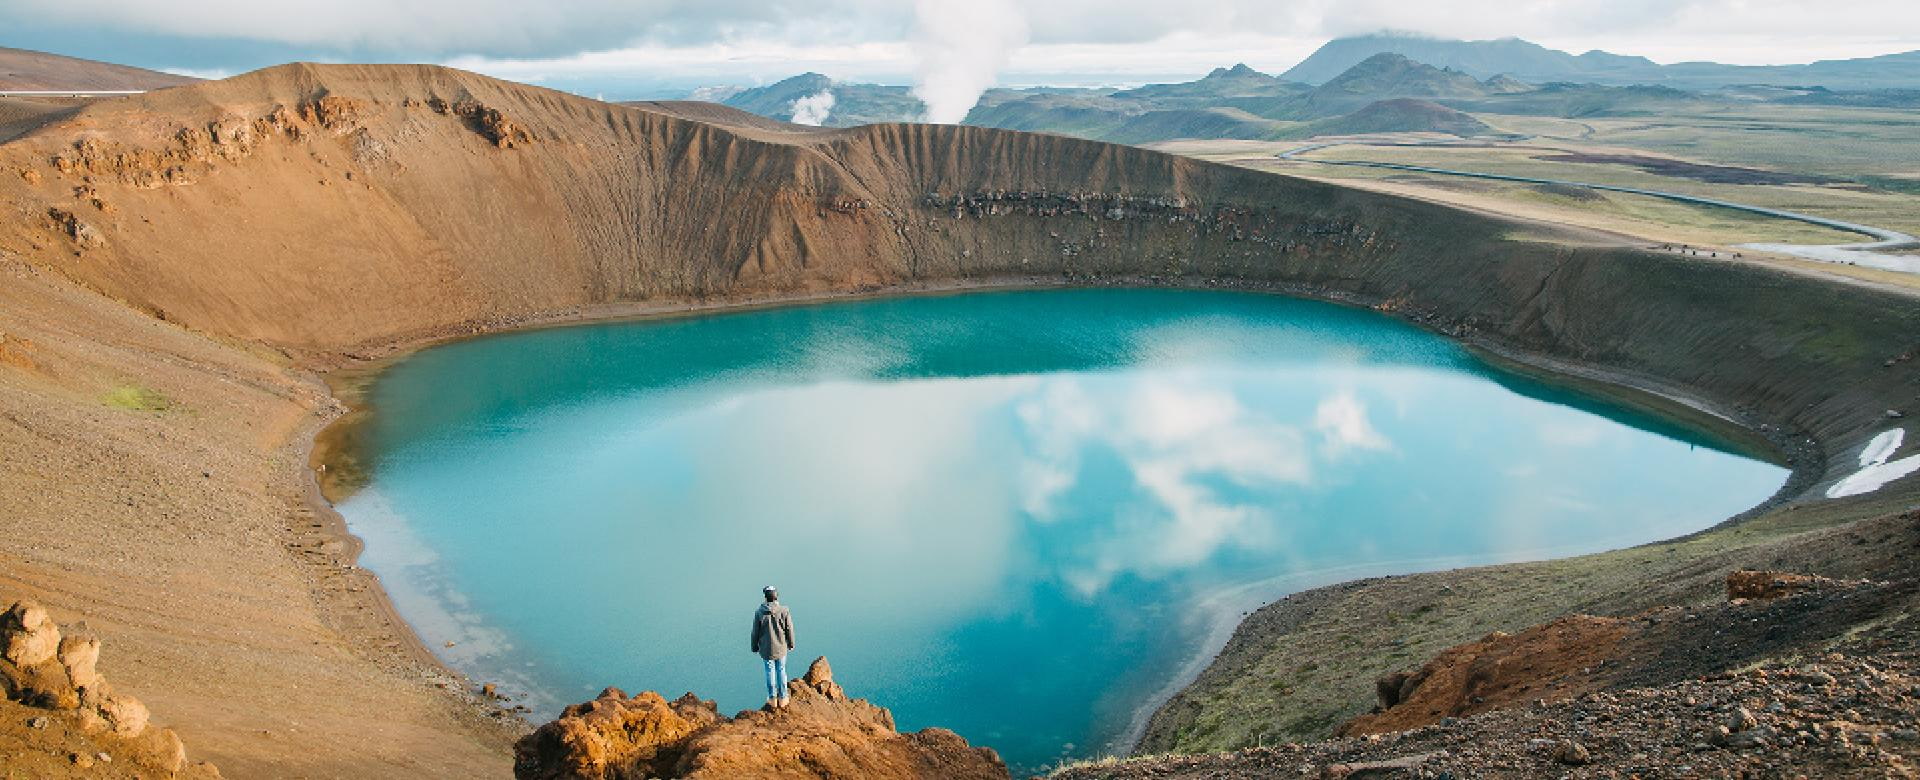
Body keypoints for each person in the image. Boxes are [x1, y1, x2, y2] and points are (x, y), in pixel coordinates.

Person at [750, 585, 796, 709]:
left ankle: (772, 698)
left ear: (765, 597)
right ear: (776, 596)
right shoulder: (784, 611)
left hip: (766, 649)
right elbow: (789, 629)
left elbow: (755, 632)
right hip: (781, 647)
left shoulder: (759, 612)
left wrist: (754, 647)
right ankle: (783, 698)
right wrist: (791, 644)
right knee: (781, 670)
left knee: (769, 671)